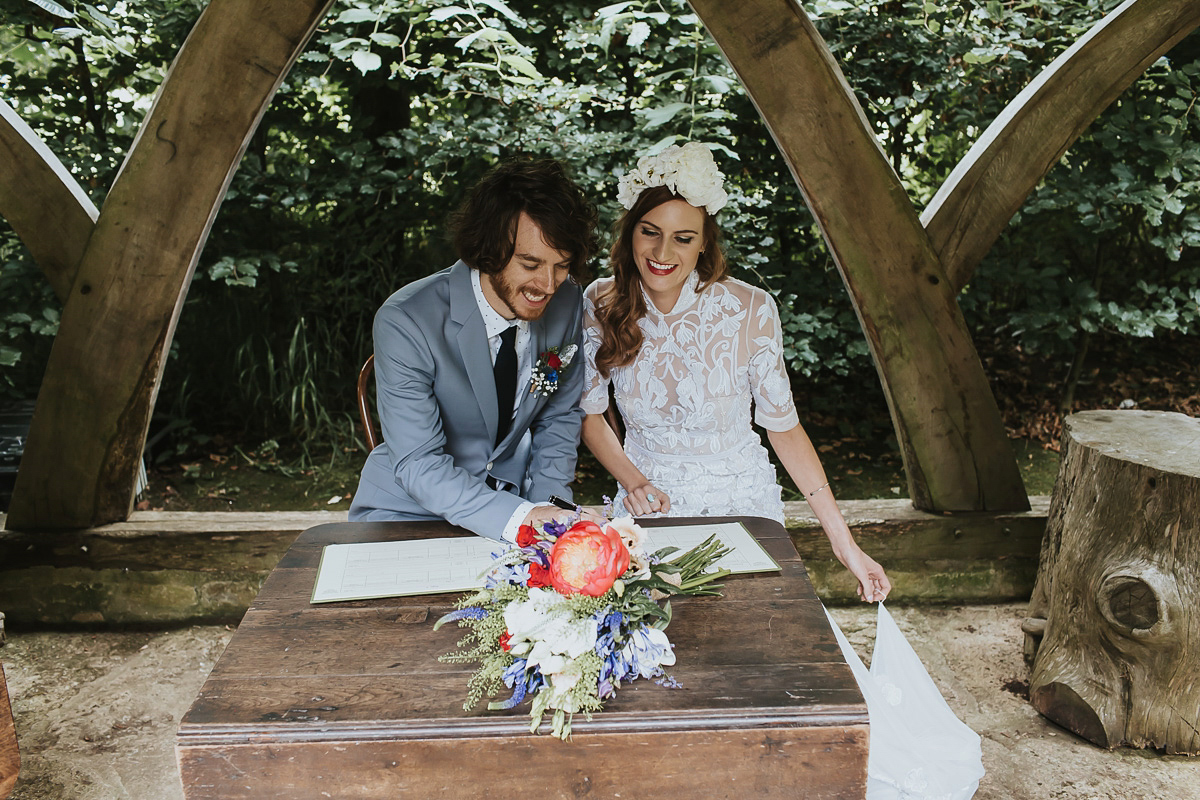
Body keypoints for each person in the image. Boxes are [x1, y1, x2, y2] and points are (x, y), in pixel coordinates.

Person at [579, 142, 889, 603]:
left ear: (704, 242)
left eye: (683, 237)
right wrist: (632, 480)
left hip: (742, 503)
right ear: (630, 234)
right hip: (645, 502)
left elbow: (784, 430)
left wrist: (845, 545)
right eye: (650, 232)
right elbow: (590, 415)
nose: (663, 251)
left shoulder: (750, 310)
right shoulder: (599, 303)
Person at [349, 158, 598, 542]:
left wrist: (549, 511)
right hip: (409, 513)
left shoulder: (567, 302)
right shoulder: (406, 320)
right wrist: (520, 519)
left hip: (517, 506)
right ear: (489, 248)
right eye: (530, 263)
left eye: (561, 266)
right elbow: (418, 462)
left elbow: (559, 417)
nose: (548, 285)